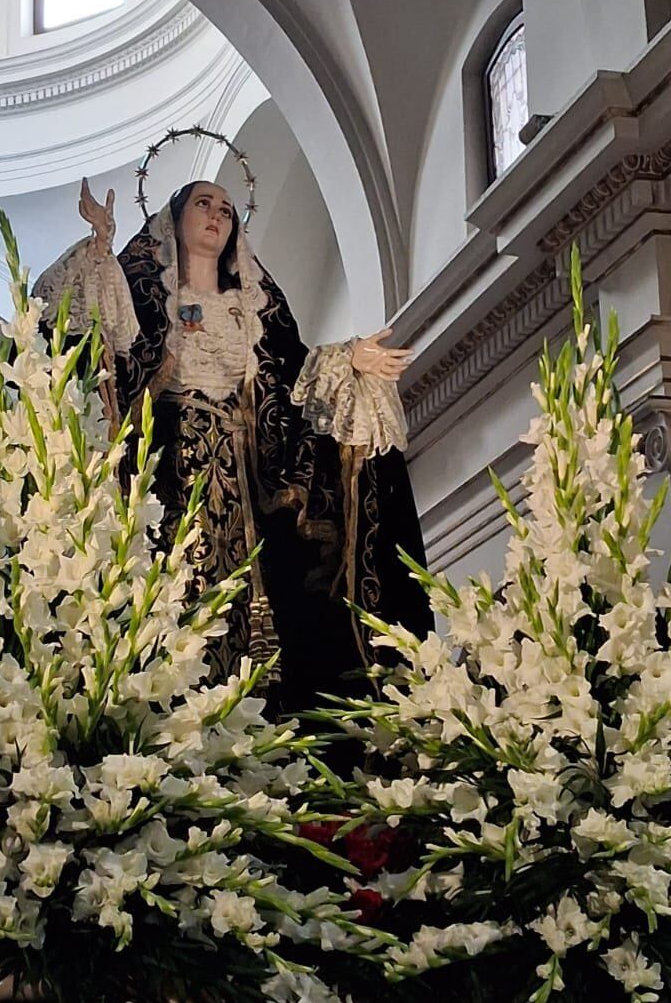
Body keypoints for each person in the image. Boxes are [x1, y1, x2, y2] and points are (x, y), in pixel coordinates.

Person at [34, 176, 432, 715]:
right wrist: (101, 249)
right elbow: (95, 346)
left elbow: (295, 378)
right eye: (203, 203)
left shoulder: (255, 306)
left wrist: (349, 359)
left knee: (263, 596)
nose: (216, 215)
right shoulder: (143, 290)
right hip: (166, 466)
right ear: (174, 219)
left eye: (226, 208)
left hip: (247, 472)